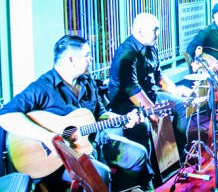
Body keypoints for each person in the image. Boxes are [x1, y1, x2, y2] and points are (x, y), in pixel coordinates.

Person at [0, 35, 153, 191]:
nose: (91, 58)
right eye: (87, 55)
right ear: (71, 59)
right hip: (61, 158)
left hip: (94, 142)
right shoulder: (42, 87)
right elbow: (5, 116)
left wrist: (123, 120)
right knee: (100, 174)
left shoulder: (88, 82)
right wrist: (48, 137)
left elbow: (101, 114)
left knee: (138, 155)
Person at [108, 13, 190, 159]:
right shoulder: (126, 53)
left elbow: (159, 77)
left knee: (183, 105)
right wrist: (152, 111)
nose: (158, 33)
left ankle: (179, 154)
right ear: (140, 31)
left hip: (149, 95)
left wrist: (175, 90)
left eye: (158, 29)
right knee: (145, 125)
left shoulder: (151, 47)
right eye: (155, 30)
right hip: (127, 104)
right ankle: (156, 164)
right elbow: (132, 89)